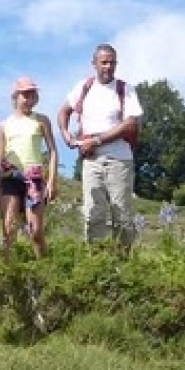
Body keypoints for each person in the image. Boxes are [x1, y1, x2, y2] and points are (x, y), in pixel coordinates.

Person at [56, 43, 143, 247]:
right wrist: (65, 133)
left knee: (121, 214)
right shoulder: (84, 87)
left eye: (112, 63)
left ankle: (123, 265)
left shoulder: (125, 90)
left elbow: (130, 123)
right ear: (94, 64)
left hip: (119, 160)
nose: (108, 67)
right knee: (93, 212)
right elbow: (63, 111)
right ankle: (96, 263)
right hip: (91, 160)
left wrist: (96, 141)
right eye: (104, 62)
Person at [0, 77, 59, 257]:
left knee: (36, 231)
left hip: (34, 177)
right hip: (10, 176)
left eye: (32, 95)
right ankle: (9, 274)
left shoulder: (41, 120)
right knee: (9, 229)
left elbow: (53, 150)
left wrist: (52, 181)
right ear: (16, 96)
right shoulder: (4, 125)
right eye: (25, 95)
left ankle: (44, 270)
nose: (29, 100)